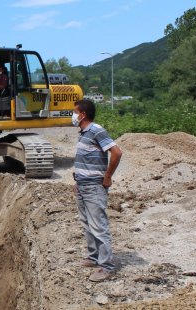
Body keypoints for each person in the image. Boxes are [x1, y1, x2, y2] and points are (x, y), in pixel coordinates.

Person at [72, 99, 123, 282]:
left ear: (83, 114)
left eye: (75, 112)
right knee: (87, 223)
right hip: (83, 185)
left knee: (98, 226)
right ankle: (94, 257)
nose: (73, 115)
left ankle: (106, 266)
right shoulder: (84, 133)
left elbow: (117, 152)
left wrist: (107, 176)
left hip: (94, 187)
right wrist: (77, 181)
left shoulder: (96, 130)